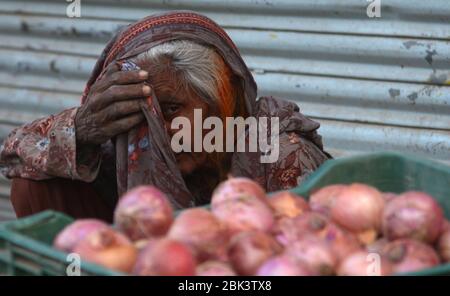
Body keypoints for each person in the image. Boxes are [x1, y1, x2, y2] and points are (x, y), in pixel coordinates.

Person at [0, 11, 331, 222]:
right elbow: (13, 155)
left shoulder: (277, 151)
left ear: (222, 101)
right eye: (146, 111)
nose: (160, 129)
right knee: (38, 182)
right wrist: (82, 129)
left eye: (171, 109)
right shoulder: (126, 144)